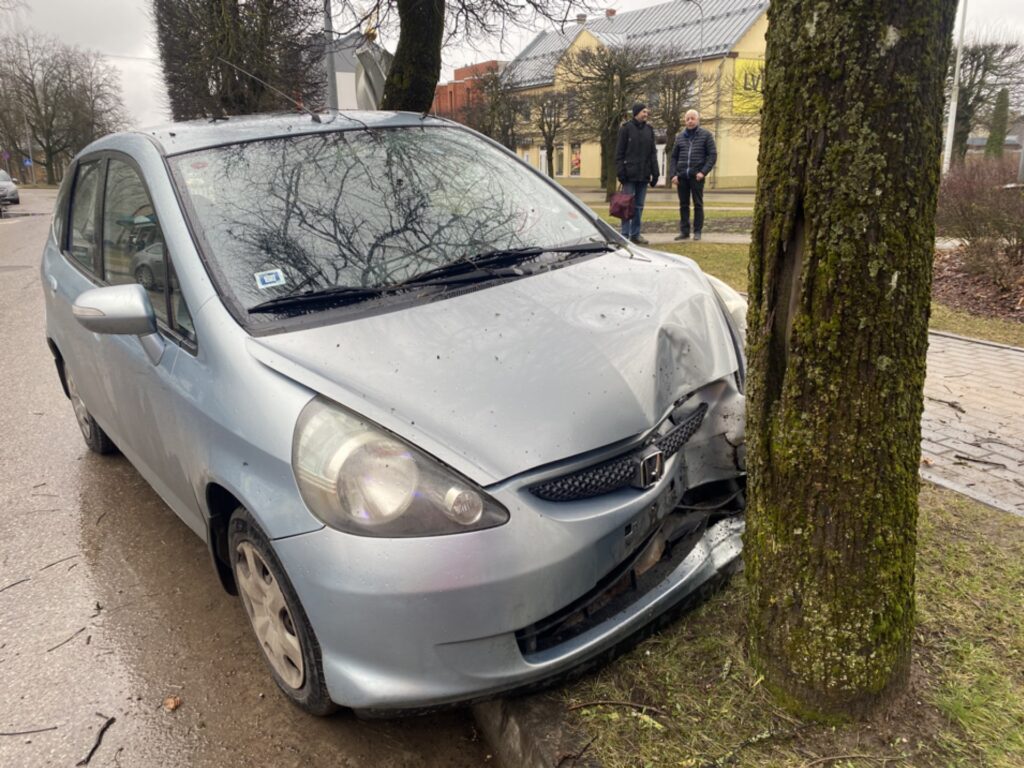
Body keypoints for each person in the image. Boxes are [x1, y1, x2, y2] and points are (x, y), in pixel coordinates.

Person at [615, 103, 659, 244]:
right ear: (636, 113)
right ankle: (624, 234)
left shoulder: (649, 130)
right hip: (629, 175)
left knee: (639, 206)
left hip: (643, 175)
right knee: (626, 205)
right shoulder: (625, 129)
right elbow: (619, 153)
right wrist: (621, 172)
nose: (646, 114)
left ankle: (636, 234)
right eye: (643, 112)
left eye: (647, 112)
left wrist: (655, 173)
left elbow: (652, 153)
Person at [670, 109, 717, 241]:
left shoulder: (706, 135)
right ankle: (684, 232)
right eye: (687, 119)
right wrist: (673, 175)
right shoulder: (679, 137)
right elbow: (674, 157)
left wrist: (703, 172)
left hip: (697, 176)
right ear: (685, 121)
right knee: (683, 205)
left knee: (698, 204)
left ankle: (697, 231)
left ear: (697, 120)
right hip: (682, 177)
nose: (690, 121)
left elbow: (712, 155)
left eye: (692, 118)